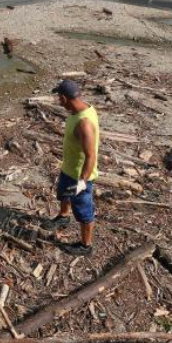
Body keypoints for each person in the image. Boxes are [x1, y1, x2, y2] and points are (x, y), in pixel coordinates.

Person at [49, 79, 100, 255]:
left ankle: (86, 245)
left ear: (64, 98)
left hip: (80, 176)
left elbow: (91, 155)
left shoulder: (83, 123)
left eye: (59, 98)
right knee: (64, 194)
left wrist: (82, 182)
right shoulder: (80, 109)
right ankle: (63, 217)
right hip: (68, 168)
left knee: (84, 210)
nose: (58, 101)